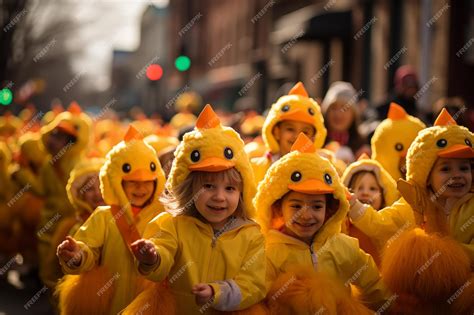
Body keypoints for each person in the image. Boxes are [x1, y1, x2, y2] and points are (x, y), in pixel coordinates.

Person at [128, 105, 267, 314]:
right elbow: (162, 254)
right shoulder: (172, 225)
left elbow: (254, 284)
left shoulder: (251, 235)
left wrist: (217, 293)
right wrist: (153, 258)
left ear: (242, 193)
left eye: (229, 188)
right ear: (188, 189)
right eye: (208, 186)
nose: (219, 197)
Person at [254, 133, 390, 312]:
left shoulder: (344, 247)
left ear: (330, 209)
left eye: (317, 206)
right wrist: (276, 292)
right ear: (279, 208)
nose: (306, 215)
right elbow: (258, 297)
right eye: (296, 206)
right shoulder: (269, 253)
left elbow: (375, 287)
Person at [56, 125, 167, 315]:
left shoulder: (165, 217)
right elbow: (87, 247)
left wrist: (155, 259)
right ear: (114, 180)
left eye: (147, 181)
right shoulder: (103, 216)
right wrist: (77, 255)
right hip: (111, 303)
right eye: (131, 182)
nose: (140, 188)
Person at [251, 82, 326, 185]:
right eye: (290, 129)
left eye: (305, 132)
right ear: (277, 132)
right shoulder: (255, 168)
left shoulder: (322, 170)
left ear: (314, 137)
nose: (297, 137)